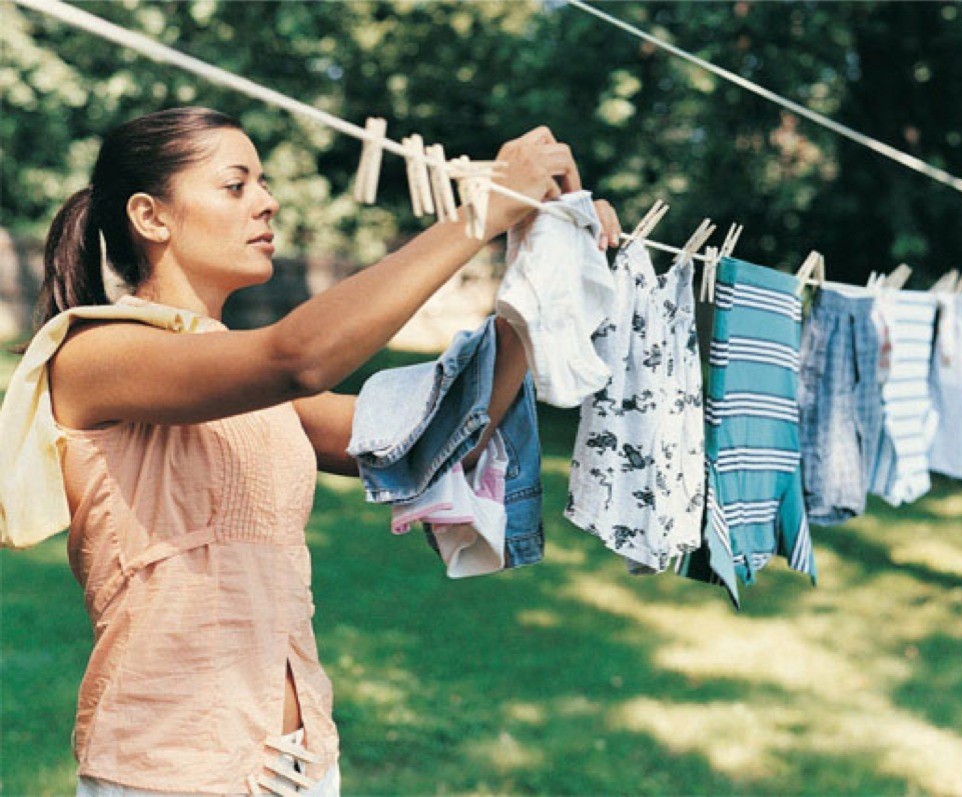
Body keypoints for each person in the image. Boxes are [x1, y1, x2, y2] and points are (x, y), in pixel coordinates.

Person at [13, 107, 622, 795]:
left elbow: (445, 432)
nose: (268, 201)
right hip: (169, 770)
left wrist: (546, 255)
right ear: (152, 217)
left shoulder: (245, 382)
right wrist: (480, 213)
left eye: (263, 182)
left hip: (301, 764)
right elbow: (299, 356)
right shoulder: (95, 354)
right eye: (235, 185)